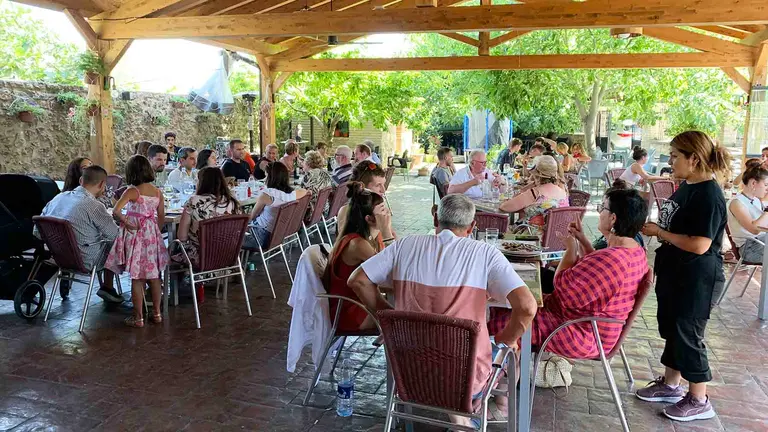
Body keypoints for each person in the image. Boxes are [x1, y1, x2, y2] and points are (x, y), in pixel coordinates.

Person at [348, 194, 537, 425]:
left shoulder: (405, 245)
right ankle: (473, 417)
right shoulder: (485, 254)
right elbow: (527, 307)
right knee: (511, 351)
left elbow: (357, 280)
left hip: (409, 375)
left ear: (435, 218)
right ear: (472, 227)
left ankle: (459, 417)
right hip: (467, 380)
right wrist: (505, 340)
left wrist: (388, 317)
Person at [491, 188, 649, 361]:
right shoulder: (635, 251)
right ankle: (512, 369)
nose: (599, 212)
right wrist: (581, 239)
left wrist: (570, 248)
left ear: (613, 218)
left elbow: (562, 287)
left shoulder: (613, 259)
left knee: (505, 318)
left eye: (602, 208)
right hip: (593, 326)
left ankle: (496, 372)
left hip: (581, 332)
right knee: (513, 305)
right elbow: (594, 269)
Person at [639, 131, 732, 422]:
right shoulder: (687, 185)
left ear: (694, 159)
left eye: (675, 156)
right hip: (675, 272)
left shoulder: (709, 195)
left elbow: (701, 244)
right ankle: (671, 384)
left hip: (697, 277)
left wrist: (660, 233)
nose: (670, 161)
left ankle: (699, 398)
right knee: (673, 328)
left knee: (689, 333)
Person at [36, 165, 123, 304]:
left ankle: (108, 287)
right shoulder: (94, 206)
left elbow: (37, 231)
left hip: (58, 257)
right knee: (116, 243)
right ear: (102, 184)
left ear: (81, 180)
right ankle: (113, 287)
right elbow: (115, 235)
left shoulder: (58, 198)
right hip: (87, 259)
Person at [106, 155, 169, 328]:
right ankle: (157, 313)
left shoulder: (132, 191)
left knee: (137, 277)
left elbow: (116, 211)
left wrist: (128, 222)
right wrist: (155, 230)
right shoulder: (157, 192)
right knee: (155, 276)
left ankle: (138, 317)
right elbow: (161, 216)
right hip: (152, 235)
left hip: (136, 236)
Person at [326, 182, 393, 331]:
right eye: (382, 211)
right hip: (351, 312)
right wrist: (387, 232)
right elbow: (387, 273)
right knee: (410, 316)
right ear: (369, 219)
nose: (387, 214)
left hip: (360, 303)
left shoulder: (371, 237)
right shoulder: (357, 244)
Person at [171, 167, 241, 303]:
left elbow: (182, 236)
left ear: (201, 182)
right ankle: (196, 283)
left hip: (202, 256)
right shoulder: (232, 202)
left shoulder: (194, 201)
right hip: (228, 254)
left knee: (175, 248)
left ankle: (182, 290)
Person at [245, 162, 308, 247]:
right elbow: (305, 191)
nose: (265, 179)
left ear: (271, 178)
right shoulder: (290, 194)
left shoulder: (266, 195)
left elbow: (252, 216)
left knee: (232, 233)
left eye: (266, 176)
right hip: (279, 235)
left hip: (261, 236)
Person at [500, 155, 568, 230]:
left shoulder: (535, 192)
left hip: (532, 236)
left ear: (537, 175)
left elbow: (505, 207)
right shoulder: (563, 193)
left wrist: (526, 188)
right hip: (555, 237)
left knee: (502, 230)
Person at [335, 162, 393, 247]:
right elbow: (349, 247)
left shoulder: (375, 208)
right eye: (377, 185)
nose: (383, 190)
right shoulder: (347, 211)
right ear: (362, 187)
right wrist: (382, 229)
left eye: (383, 184)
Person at [727, 166, 768, 264]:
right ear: (753, 183)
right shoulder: (737, 203)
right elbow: (754, 229)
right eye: (766, 185)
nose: (767, 189)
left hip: (762, 242)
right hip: (749, 248)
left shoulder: (756, 200)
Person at [301, 150, 334, 220]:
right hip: (324, 210)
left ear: (308, 163)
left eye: (304, 160)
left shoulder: (309, 175)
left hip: (311, 213)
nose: (302, 163)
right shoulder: (325, 174)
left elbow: (302, 196)